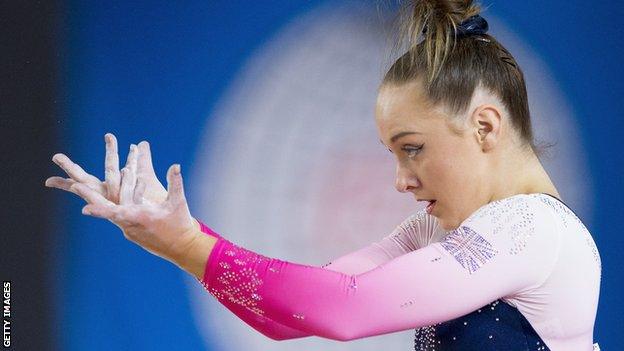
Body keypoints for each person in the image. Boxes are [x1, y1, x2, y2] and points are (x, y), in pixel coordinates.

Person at [45, 0, 601, 350]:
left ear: (484, 126)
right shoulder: (441, 232)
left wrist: (192, 244)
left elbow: (345, 309)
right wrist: (174, 241)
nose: (400, 181)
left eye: (412, 149)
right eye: (392, 154)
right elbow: (292, 316)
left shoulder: (535, 232)